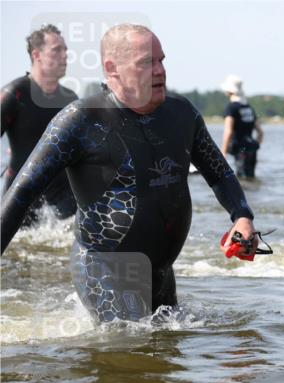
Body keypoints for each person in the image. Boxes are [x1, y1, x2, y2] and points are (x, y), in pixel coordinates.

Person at [0, 24, 258, 322]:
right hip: (102, 269)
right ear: (113, 69)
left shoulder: (182, 114)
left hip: (160, 272)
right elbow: (21, 193)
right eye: (147, 63)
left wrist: (242, 217)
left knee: (166, 354)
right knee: (130, 346)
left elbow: (220, 173)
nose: (160, 71)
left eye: (162, 60)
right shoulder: (80, 120)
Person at [1, 24, 78, 224]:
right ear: (37, 55)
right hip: (21, 199)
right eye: (57, 50)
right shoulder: (15, 94)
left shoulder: (71, 100)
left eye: (65, 50)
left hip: (65, 203)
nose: (65, 56)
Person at [220, 75, 263, 179]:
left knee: (242, 179)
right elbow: (260, 132)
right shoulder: (248, 107)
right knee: (251, 177)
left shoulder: (231, 108)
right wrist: (255, 145)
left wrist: (223, 153)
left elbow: (228, 131)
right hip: (252, 148)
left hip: (241, 149)